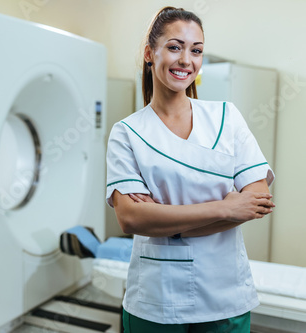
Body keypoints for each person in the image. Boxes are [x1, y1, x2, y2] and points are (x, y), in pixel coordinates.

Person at [106, 6, 275, 333]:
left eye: (196, 50)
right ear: (149, 54)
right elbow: (131, 219)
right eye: (174, 47)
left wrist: (165, 220)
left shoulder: (227, 117)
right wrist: (225, 207)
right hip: (157, 299)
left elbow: (258, 200)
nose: (186, 60)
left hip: (226, 293)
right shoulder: (127, 132)